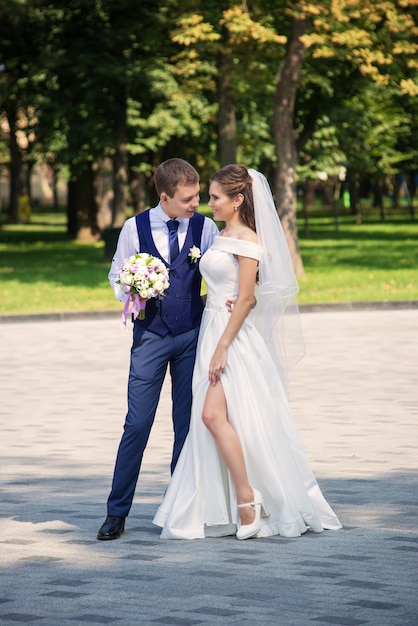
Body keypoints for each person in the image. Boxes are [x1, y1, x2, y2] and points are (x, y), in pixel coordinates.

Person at [153, 165, 342, 540]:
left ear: (238, 200)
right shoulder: (221, 235)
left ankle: (246, 498)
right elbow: (225, 290)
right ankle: (237, 498)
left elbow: (247, 298)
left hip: (231, 340)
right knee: (222, 418)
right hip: (213, 327)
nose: (210, 203)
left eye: (216, 198)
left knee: (210, 415)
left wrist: (222, 347)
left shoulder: (249, 241)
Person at [97, 158, 219, 540]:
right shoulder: (134, 227)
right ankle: (116, 513)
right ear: (164, 197)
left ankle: (178, 509)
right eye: (188, 198)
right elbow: (117, 273)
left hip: (192, 336)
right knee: (137, 423)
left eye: (198, 194)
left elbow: (218, 273)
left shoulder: (206, 227)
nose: (196, 203)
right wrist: (133, 287)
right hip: (149, 336)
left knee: (186, 424)